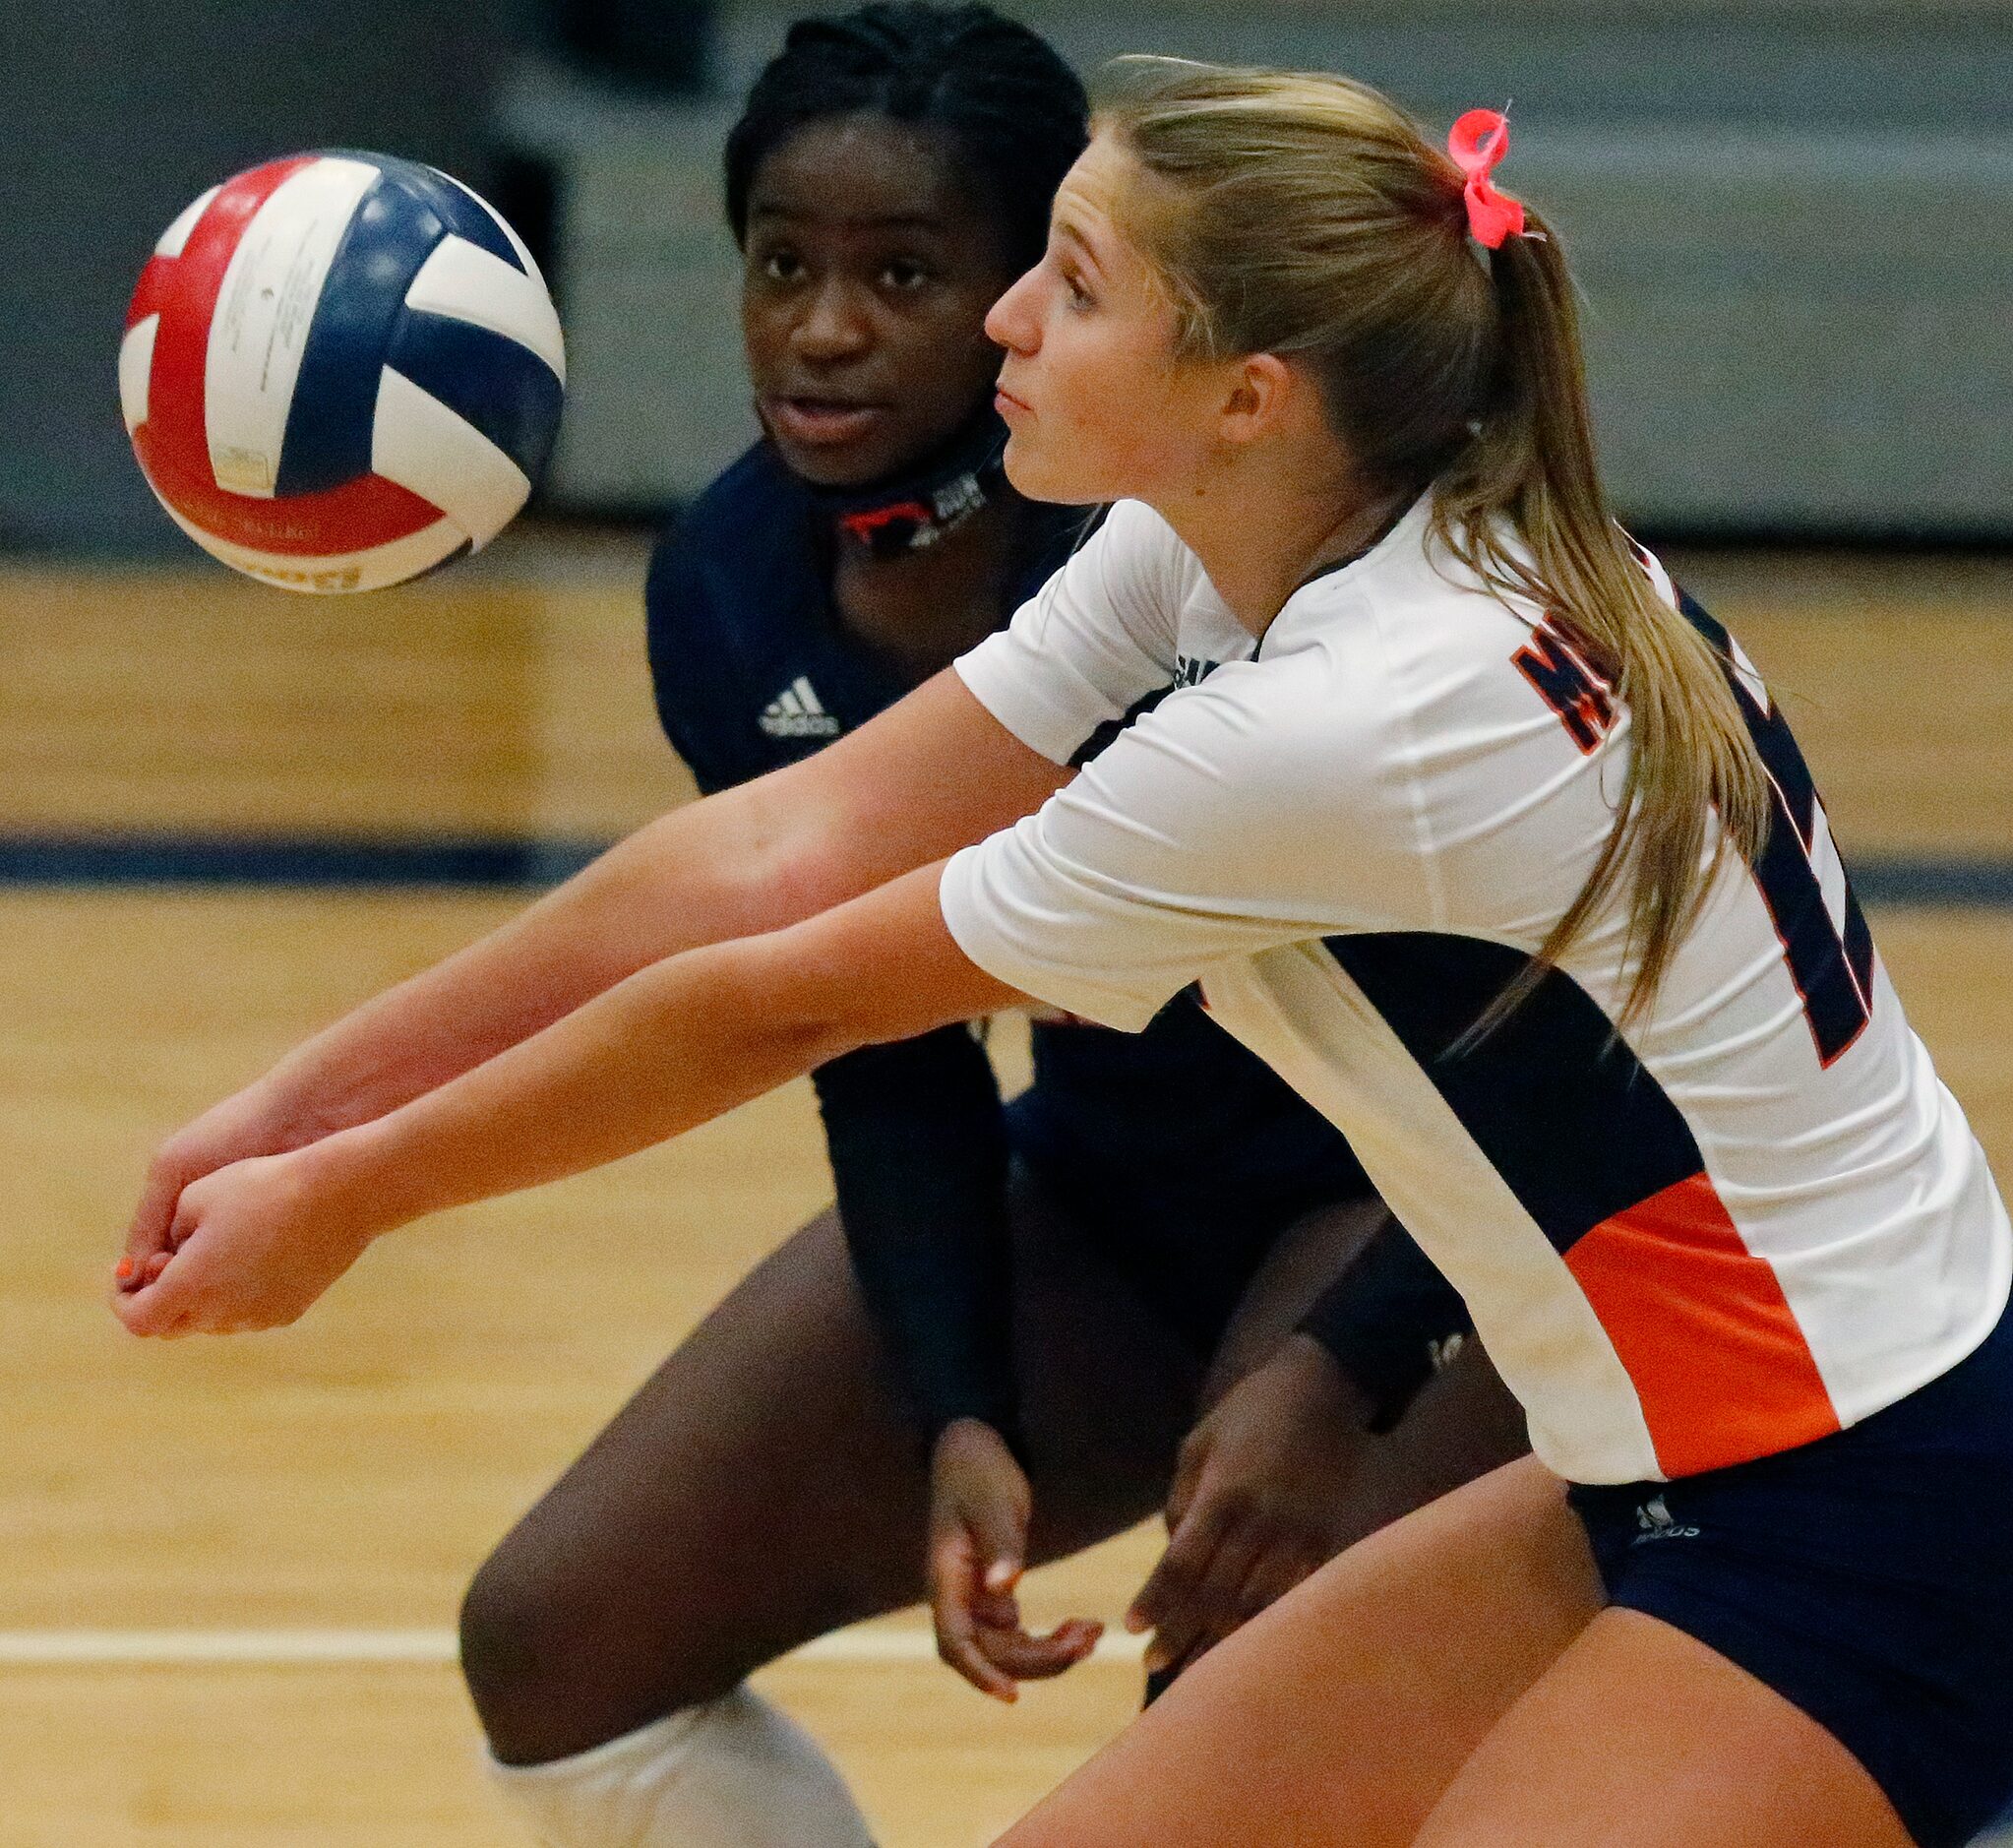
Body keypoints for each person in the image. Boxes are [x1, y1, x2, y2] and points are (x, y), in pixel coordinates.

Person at [111, 51, 2013, 1848]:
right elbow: (781, 842)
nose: (1008, 321)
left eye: (1073, 287)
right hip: (1651, 1461)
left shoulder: (1341, 723)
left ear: (1248, 387)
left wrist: (355, 1193)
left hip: (1864, 1495)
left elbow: (778, 997)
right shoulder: (1246, 542)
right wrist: (299, 1102)